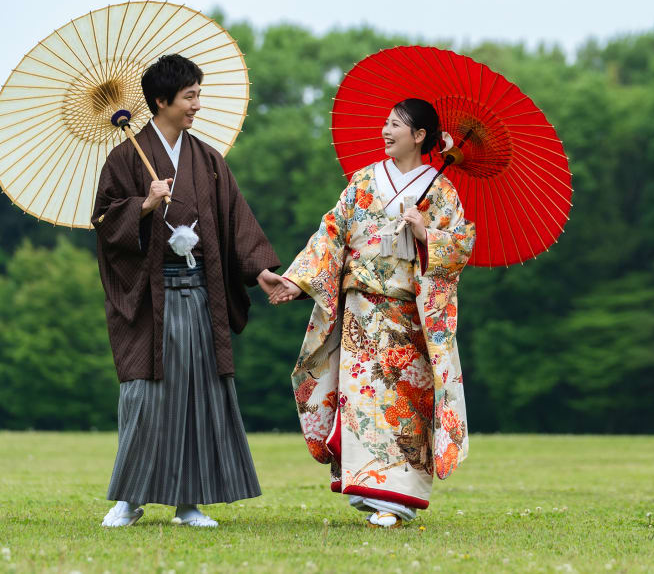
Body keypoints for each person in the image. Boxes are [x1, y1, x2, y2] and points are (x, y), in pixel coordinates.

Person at [92, 54, 282, 528]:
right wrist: (143, 204)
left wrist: (260, 269)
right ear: (162, 101)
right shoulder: (124, 157)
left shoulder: (207, 160)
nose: (197, 104)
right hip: (148, 298)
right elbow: (104, 222)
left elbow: (236, 220)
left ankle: (188, 502)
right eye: (190, 96)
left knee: (197, 394)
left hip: (198, 294)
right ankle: (129, 498)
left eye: (198, 94)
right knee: (143, 393)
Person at [266, 98, 475, 528]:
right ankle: (373, 490)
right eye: (385, 122)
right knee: (363, 401)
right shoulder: (363, 182)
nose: (385, 130)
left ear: (419, 136)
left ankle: (397, 499)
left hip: (409, 315)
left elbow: (458, 247)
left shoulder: (441, 192)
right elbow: (331, 234)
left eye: (395, 125)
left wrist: (425, 233)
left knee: (406, 404)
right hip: (361, 311)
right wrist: (295, 281)